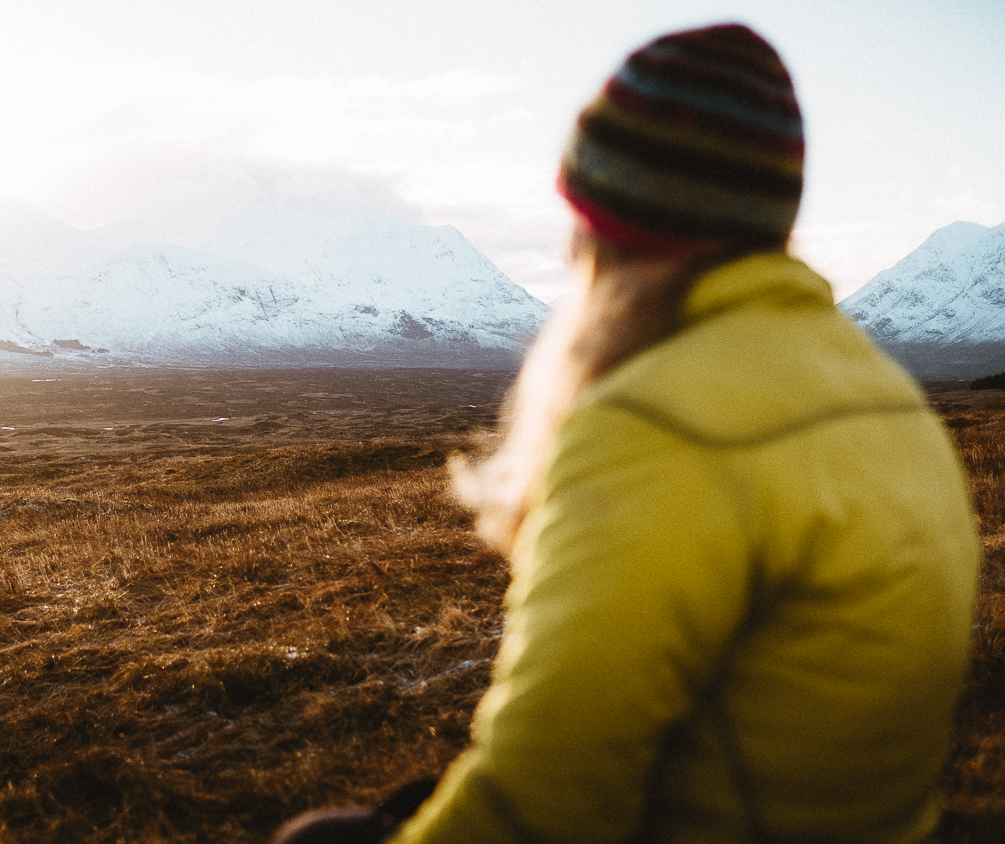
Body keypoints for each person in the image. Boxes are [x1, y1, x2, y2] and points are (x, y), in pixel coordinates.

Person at [273, 22, 980, 844]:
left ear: (613, 231)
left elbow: (544, 800)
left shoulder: (655, 423)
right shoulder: (886, 392)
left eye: (582, 217)